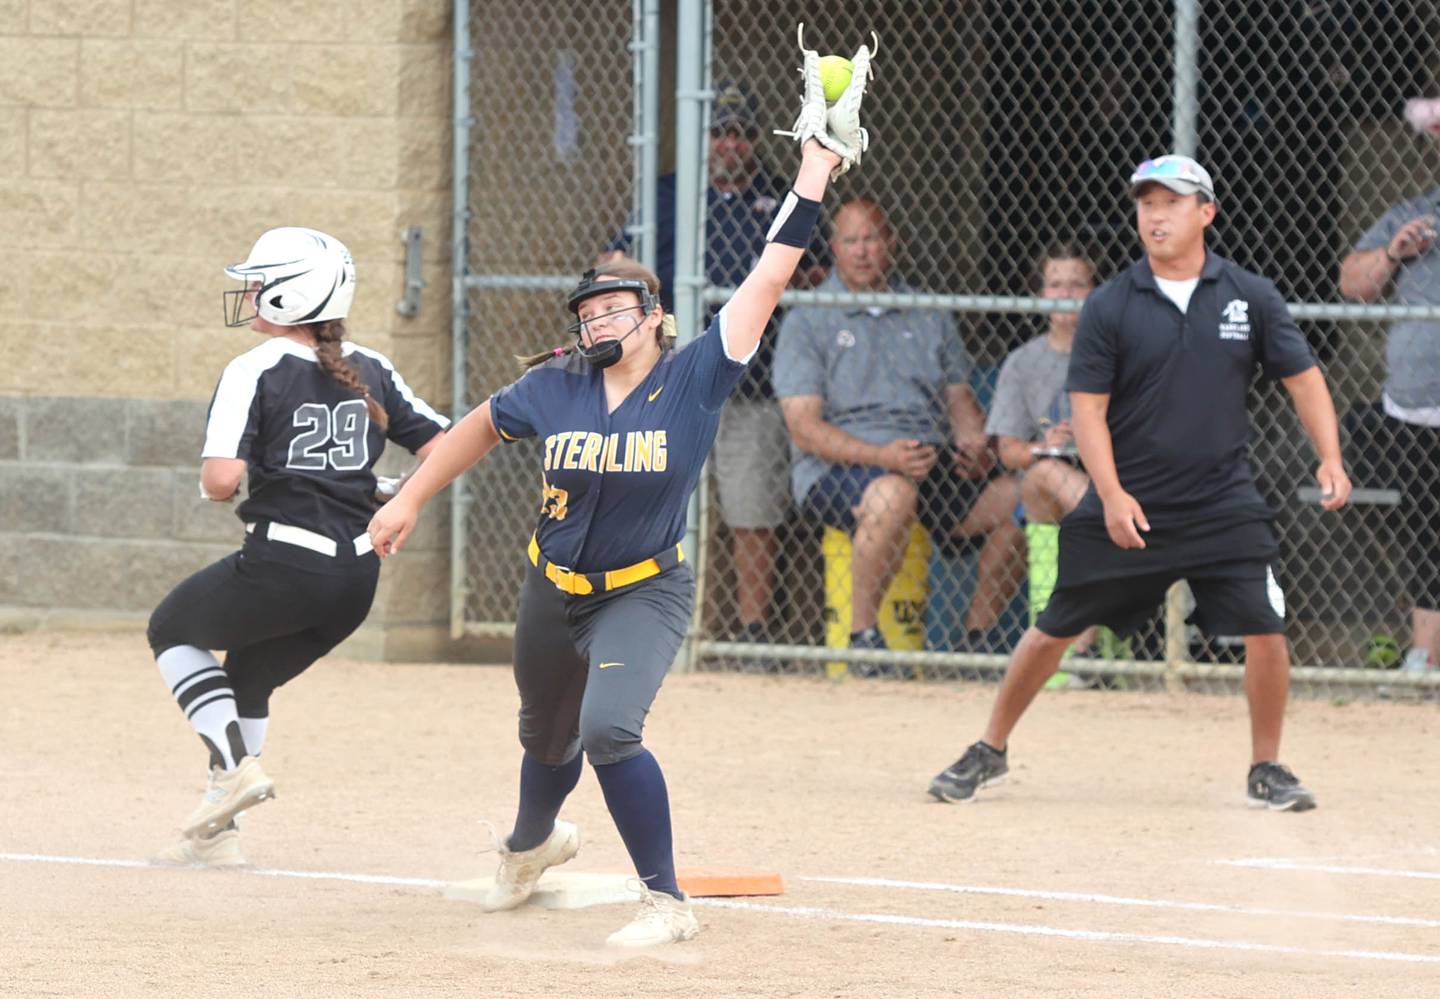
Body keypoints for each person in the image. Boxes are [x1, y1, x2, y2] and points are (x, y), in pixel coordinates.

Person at [367, 36, 872, 947]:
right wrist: (407, 497)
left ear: (654, 319)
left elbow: (771, 268)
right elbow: (473, 431)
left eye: (615, 307)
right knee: (543, 736)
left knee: (607, 729)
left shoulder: (698, 373)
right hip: (549, 586)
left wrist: (814, 169)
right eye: (588, 310)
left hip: (643, 588)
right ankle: (529, 846)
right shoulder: (553, 384)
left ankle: (666, 902)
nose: (598, 318)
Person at [927, 155, 1351, 812]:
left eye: (1172, 202)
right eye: (1146, 203)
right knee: (1054, 627)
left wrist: (1330, 456)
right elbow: (1088, 409)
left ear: (1206, 212)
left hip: (1221, 501)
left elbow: (1305, 379)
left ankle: (1266, 765)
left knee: (1267, 628)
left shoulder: (1249, 295)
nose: (1156, 215)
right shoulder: (1111, 304)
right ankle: (990, 747)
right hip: (1130, 499)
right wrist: (1113, 492)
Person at [147, 227, 449, 866]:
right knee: (248, 678)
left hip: (284, 560)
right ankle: (218, 837)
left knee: (171, 628)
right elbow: (446, 445)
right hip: (355, 581)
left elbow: (221, 479)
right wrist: (399, 494)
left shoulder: (253, 367)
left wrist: (225, 486)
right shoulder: (373, 366)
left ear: (291, 296)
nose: (250, 295)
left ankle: (233, 769)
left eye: (258, 285)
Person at [600, 82, 829, 649]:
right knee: (646, 497)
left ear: (756, 141)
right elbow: (613, 263)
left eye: (742, 134)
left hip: (749, 377)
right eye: (720, 133)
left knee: (751, 509)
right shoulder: (668, 195)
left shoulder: (779, 196)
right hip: (669, 376)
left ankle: (748, 633)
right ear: (704, 140)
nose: (731, 144)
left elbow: (821, 271)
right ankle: (635, 622)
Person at [772, 197, 1026, 660]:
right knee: (894, 494)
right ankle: (863, 637)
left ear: (892, 243)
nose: (862, 251)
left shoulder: (927, 312)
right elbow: (804, 429)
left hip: (926, 456)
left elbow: (958, 399)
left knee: (1023, 498)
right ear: (834, 248)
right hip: (842, 469)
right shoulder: (808, 316)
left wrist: (974, 443)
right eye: (851, 241)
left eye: (871, 238)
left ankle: (976, 639)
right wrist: (881, 457)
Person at [1337, 96, 1440, 673]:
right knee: (1426, 529)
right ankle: (1426, 659)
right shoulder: (1417, 212)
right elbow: (1352, 282)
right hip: (1415, 409)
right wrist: (1393, 252)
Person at [987, 243, 1100, 655]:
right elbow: (1008, 451)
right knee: (1044, 476)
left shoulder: (1115, 353)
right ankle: (1074, 650)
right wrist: (1045, 447)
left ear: (1095, 293)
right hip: (1047, 480)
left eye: (1077, 284)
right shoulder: (1022, 362)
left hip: (1105, 474)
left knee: (1084, 514)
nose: (1066, 294)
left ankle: (1074, 649)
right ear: (1040, 294)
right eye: (1055, 285)